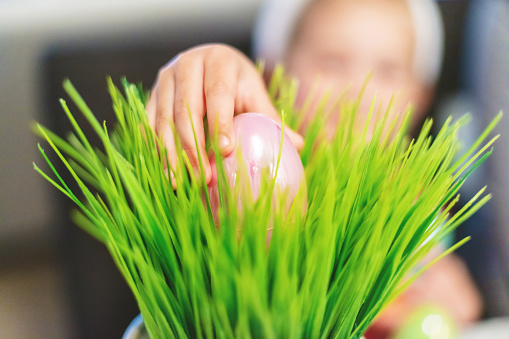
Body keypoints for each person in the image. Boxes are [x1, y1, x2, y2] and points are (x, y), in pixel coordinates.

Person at [146, 0, 483, 337]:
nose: (357, 94)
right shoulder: (259, 179)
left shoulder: (416, 200)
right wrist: (212, 73)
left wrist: (453, 298)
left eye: (388, 71)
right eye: (332, 63)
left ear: (421, 96)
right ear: (270, 78)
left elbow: (447, 296)